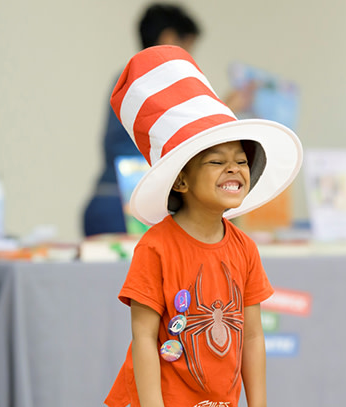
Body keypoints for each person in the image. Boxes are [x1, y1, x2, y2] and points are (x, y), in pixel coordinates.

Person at [104, 45, 302, 407]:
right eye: (216, 161)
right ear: (180, 182)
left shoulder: (245, 249)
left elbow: (251, 333)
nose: (234, 168)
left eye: (241, 160)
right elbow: (142, 336)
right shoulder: (155, 247)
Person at [84, 3, 251, 236]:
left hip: (106, 199)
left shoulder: (127, 81)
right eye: (187, 48)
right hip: (128, 207)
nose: (189, 59)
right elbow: (192, 135)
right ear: (169, 38)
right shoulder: (158, 81)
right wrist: (230, 106)